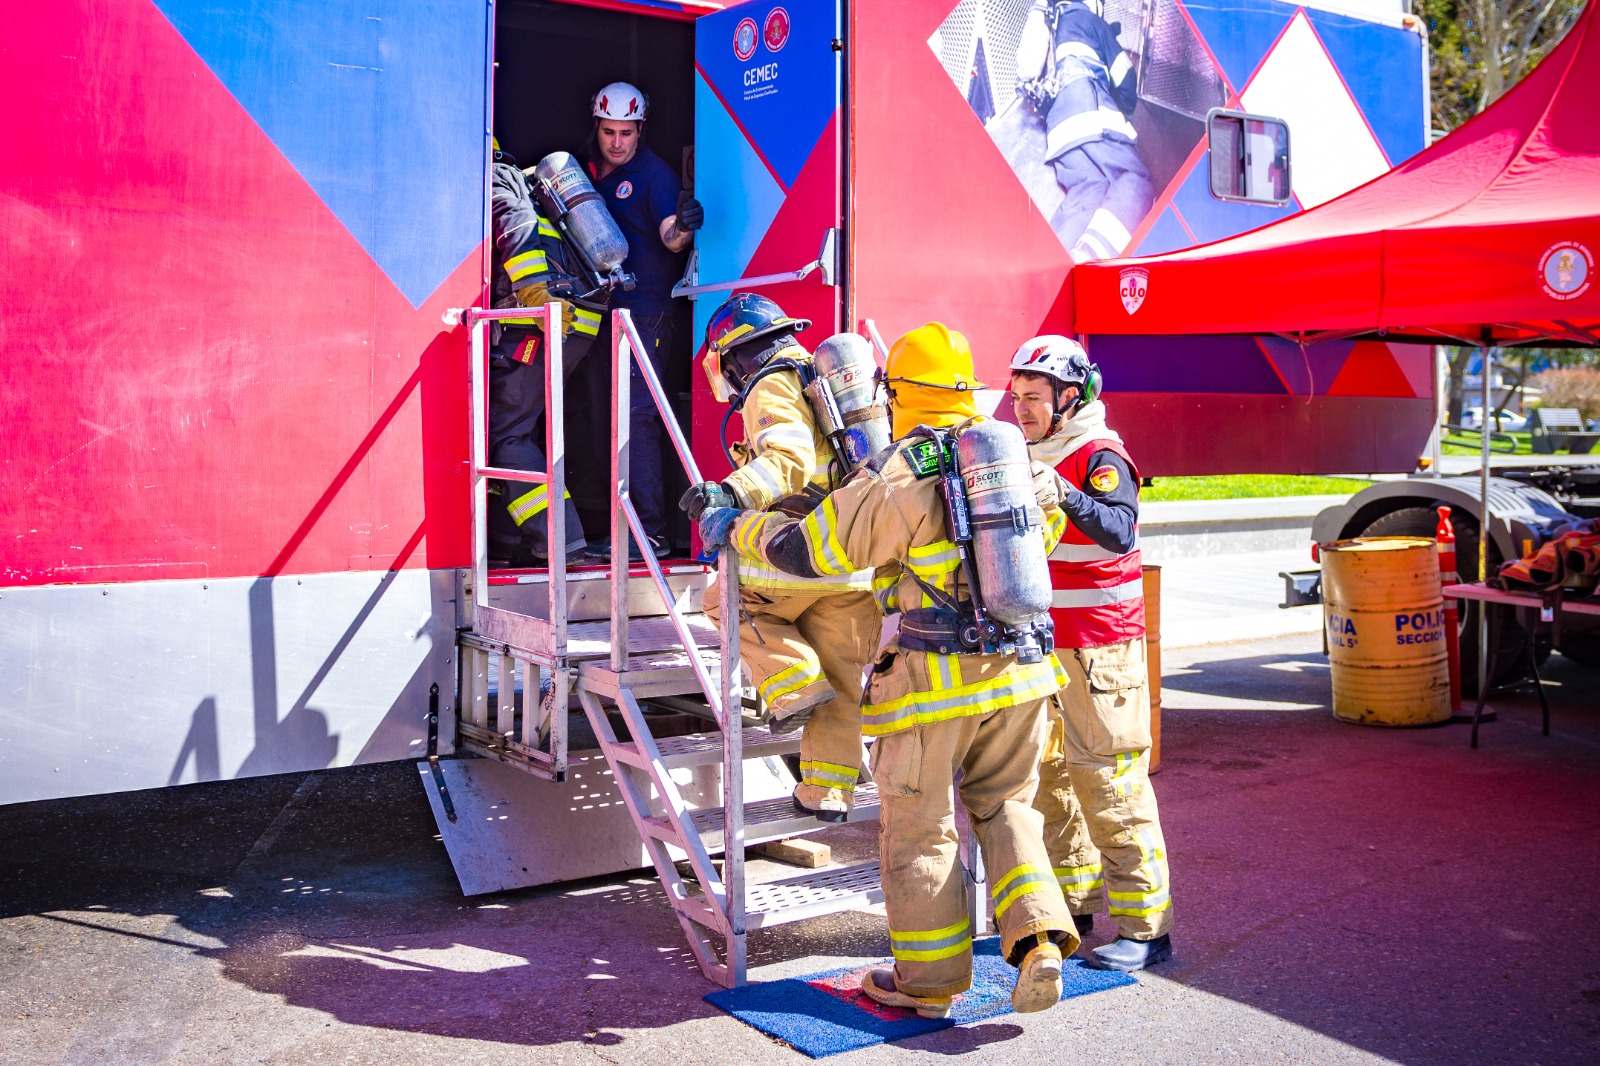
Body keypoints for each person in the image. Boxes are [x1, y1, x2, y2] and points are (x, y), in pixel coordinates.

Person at [696, 322, 1077, 1017]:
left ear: (896, 394)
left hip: (934, 686)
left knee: (921, 828)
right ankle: (1040, 940)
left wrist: (735, 527)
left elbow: (815, 551)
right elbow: (1043, 533)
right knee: (1005, 809)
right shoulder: (1013, 458)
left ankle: (928, 988)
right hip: (1023, 673)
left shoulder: (905, 469)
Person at [681, 294, 882, 820]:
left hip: (794, 553)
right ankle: (827, 792)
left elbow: (787, 462)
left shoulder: (772, 384)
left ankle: (792, 688)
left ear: (732, 356)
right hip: (851, 563)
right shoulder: (819, 385)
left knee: (723, 604)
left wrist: (730, 494)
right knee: (842, 680)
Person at [1008, 334, 1172, 972]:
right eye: (1016, 396)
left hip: (1103, 647)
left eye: (1033, 397)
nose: (1019, 408)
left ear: (1069, 398)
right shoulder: (1032, 452)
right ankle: (1072, 906)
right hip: (1050, 643)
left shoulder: (1099, 453)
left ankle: (1146, 927)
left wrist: (1066, 494)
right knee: (1051, 779)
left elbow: (1118, 527)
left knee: (1109, 780)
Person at [586, 81, 703, 557]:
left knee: (637, 420)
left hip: (646, 315)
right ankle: (620, 528)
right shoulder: (595, 177)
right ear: (597, 126)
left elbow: (670, 237)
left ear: (640, 131)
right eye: (609, 131)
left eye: (626, 133)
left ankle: (649, 532)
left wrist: (685, 225)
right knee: (604, 421)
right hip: (603, 316)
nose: (617, 142)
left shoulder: (653, 175)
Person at [486, 137, 606, 564]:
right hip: (573, 322)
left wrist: (535, 294)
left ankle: (559, 539)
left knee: (506, 433)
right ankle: (504, 543)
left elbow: (515, 224)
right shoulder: (531, 186)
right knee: (518, 429)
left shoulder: (497, 179)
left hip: (540, 321)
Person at [1015, 0, 1154, 263]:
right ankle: (1089, 257)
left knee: (1090, 185)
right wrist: (1123, 114)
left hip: (1059, 133)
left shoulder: (1053, 24)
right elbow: (1125, 79)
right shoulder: (1093, 22)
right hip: (1091, 118)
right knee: (1137, 180)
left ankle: (1050, 265)